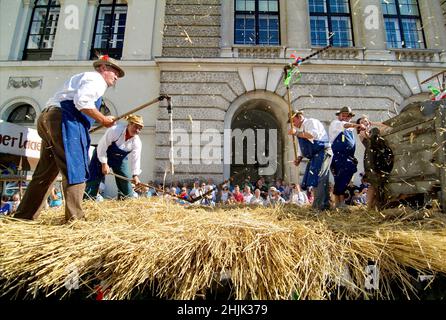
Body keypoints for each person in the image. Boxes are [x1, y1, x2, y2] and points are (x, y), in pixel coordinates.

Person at [14, 55, 122, 222]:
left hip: (48, 118)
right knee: (75, 168)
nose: (116, 77)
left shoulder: (82, 78)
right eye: (115, 72)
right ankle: (76, 220)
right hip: (63, 119)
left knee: (45, 173)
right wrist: (103, 119)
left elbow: (77, 103)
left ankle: (23, 216)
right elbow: (82, 102)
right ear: (103, 68)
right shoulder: (96, 79)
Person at [85, 115, 143, 200]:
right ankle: (88, 199)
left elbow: (136, 159)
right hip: (101, 155)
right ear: (129, 124)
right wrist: (104, 164)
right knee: (94, 178)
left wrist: (135, 175)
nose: (137, 131)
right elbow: (102, 147)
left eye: (140, 129)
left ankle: (126, 200)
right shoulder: (115, 130)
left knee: (125, 179)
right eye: (135, 127)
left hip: (120, 159)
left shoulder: (137, 142)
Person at [288, 111, 332, 211]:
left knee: (320, 178)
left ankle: (320, 206)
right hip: (314, 156)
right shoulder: (300, 129)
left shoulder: (311, 122)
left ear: (299, 117)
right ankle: (320, 205)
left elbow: (312, 135)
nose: (293, 124)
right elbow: (302, 147)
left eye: (293, 121)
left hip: (323, 152)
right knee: (314, 180)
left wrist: (296, 133)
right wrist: (299, 158)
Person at [329, 107, 365, 208]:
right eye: (343, 115)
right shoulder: (336, 123)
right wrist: (358, 125)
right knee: (340, 180)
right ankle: (338, 204)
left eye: (347, 115)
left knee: (343, 180)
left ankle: (340, 204)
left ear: (350, 117)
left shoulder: (350, 130)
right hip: (338, 157)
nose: (345, 117)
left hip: (348, 157)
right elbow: (344, 124)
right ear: (339, 116)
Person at [356, 115, 393, 210]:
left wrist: (373, 123)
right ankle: (368, 207)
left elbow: (387, 126)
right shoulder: (361, 133)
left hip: (379, 158)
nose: (365, 122)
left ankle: (376, 205)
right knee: (372, 184)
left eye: (366, 120)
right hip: (370, 159)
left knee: (380, 183)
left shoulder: (374, 132)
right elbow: (368, 136)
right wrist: (366, 127)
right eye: (362, 121)